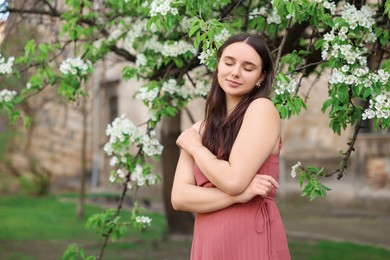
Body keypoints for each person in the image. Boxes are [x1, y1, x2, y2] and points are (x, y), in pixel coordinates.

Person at [171, 33, 291, 260]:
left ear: (260, 77)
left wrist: (197, 149)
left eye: (248, 67)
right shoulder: (198, 130)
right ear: (218, 66)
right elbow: (179, 198)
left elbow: (233, 180)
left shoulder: (261, 109)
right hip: (208, 241)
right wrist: (239, 196)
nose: (235, 72)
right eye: (228, 62)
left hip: (249, 236)